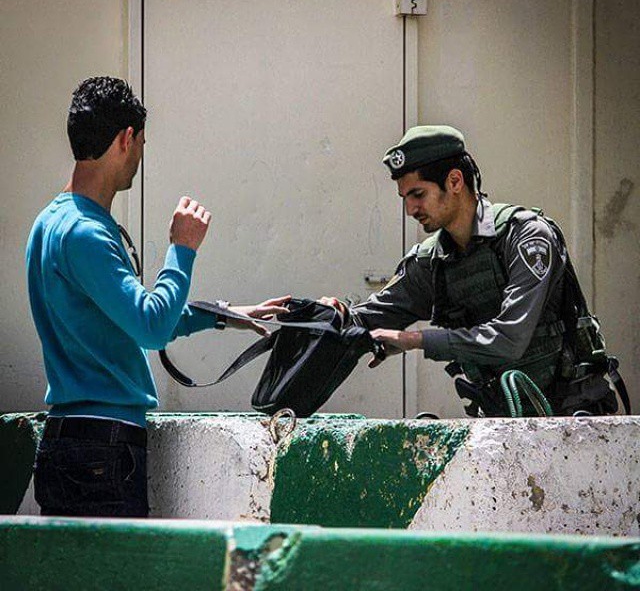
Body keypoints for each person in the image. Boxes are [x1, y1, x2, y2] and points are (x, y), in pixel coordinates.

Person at [26, 76, 289, 517]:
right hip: (103, 448)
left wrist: (222, 315)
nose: (140, 156)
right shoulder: (87, 233)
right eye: (143, 143)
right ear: (126, 139)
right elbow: (150, 327)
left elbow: (132, 316)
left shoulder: (51, 222)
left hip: (71, 441)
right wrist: (181, 249)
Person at [322, 125, 622, 417]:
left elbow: (509, 340)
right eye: (405, 198)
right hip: (501, 427)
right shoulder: (433, 261)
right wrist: (323, 313)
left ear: (454, 182)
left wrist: (416, 341)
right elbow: (367, 318)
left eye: (418, 194)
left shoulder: (526, 237)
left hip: (572, 422)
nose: (410, 209)